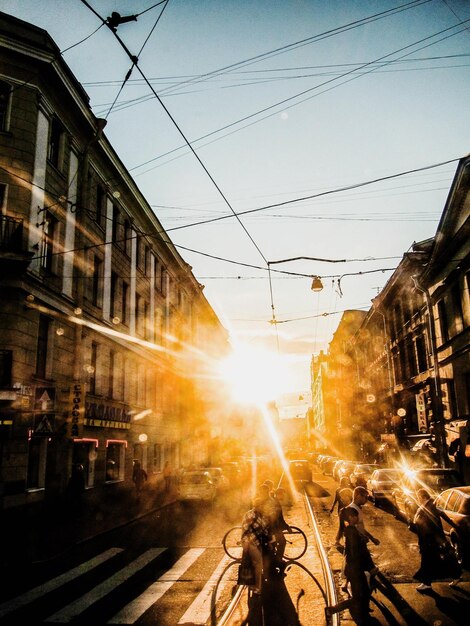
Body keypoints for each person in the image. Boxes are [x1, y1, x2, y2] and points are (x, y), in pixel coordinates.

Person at [325, 507, 378, 625]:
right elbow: (356, 552)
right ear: (350, 517)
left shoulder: (351, 530)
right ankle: (332, 609)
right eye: (355, 516)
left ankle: (363, 610)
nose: (357, 518)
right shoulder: (351, 531)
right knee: (358, 596)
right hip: (356, 570)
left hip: (355, 569)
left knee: (363, 592)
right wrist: (369, 567)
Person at [412, 488, 462, 591]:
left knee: (427, 561)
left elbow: (430, 523)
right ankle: (456, 575)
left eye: (418, 497)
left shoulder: (429, 507)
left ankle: (427, 583)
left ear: (423, 497)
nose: (418, 499)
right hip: (432, 539)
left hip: (430, 540)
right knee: (438, 561)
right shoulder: (430, 505)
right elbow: (442, 514)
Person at [240, 497, 271, 594]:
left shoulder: (251, 514)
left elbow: (244, 527)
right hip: (252, 542)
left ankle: (251, 584)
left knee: (250, 563)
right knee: (258, 564)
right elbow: (263, 530)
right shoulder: (257, 516)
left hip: (250, 542)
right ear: (259, 506)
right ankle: (257, 588)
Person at [331, 477, 354, 543]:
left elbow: (335, 500)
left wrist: (332, 508)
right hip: (345, 510)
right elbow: (351, 500)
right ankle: (339, 539)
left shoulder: (340, 490)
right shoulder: (347, 490)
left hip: (342, 510)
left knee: (343, 524)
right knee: (344, 525)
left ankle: (340, 539)